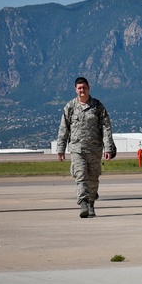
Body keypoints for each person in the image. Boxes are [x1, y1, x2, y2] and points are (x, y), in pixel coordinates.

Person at [57, 77, 116, 218]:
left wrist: (109, 148)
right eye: (79, 88)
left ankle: (91, 203)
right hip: (77, 149)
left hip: (94, 150)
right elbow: (63, 128)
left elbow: (106, 128)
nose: (82, 90)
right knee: (81, 176)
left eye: (84, 87)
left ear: (89, 88)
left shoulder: (97, 106)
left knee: (93, 179)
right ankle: (83, 202)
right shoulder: (70, 107)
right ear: (75, 89)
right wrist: (61, 148)